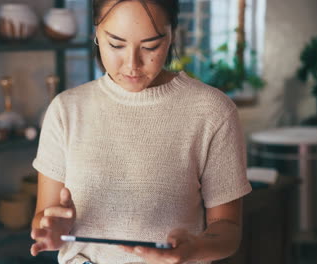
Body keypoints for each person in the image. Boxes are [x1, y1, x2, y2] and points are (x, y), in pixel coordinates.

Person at [30, 0, 252, 263]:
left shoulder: (213, 111)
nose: (132, 64)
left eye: (150, 46)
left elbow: (227, 229)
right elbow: (44, 215)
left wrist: (195, 247)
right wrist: (52, 230)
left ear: (172, 35)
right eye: (116, 45)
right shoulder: (66, 110)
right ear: (96, 32)